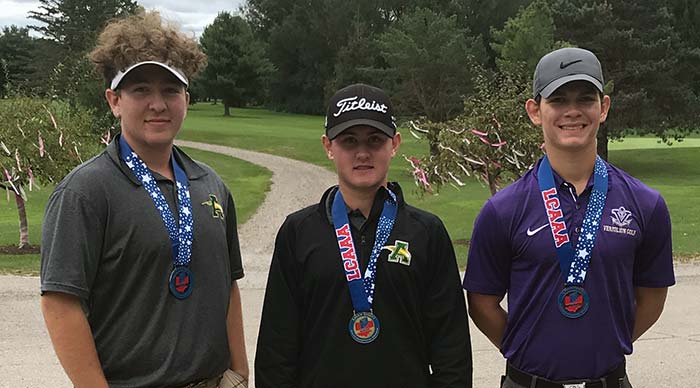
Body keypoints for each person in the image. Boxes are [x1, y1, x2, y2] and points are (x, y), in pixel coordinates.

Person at [40, 11, 248, 388]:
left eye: (170, 90)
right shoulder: (85, 191)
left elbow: (228, 286)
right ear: (114, 100)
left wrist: (241, 373)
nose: (158, 104)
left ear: (186, 98)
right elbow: (60, 304)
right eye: (140, 90)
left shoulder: (211, 184)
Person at [463, 47, 675, 388]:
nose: (573, 111)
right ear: (535, 111)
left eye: (585, 99)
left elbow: (652, 297)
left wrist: (609, 342)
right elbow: (481, 303)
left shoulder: (645, 204)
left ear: (603, 107)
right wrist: (527, 350)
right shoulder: (502, 209)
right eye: (558, 100)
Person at [254, 83, 472, 387]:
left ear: (394, 144)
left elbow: (452, 352)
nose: (362, 153)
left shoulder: (427, 233)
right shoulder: (299, 232)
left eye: (374, 140)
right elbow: (276, 349)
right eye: (348, 141)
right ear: (328, 146)